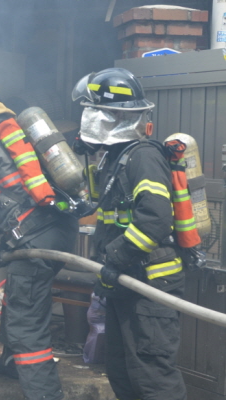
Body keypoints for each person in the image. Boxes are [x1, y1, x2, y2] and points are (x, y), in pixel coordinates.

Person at [0, 79, 79, 400]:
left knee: (27, 327)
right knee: (21, 294)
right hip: (60, 229)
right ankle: (10, 362)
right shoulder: (21, 132)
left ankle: (46, 394)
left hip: (34, 240)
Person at [71, 67, 187, 400]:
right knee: (122, 373)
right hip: (126, 281)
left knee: (152, 379)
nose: (85, 119)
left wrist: (114, 259)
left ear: (109, 115)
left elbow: (154, 220)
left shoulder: (144, 157)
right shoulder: (117, 157)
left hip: (150, 286)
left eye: (90, 112)